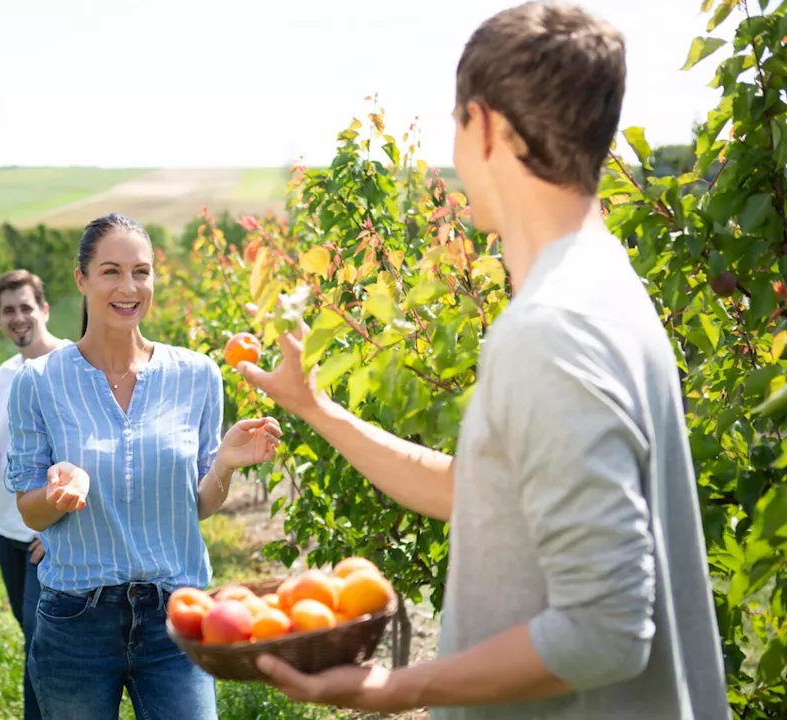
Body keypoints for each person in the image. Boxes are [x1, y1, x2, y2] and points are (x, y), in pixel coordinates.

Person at [240, 3, 730, 719]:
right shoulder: (606, 288)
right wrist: (316, 407)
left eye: (455, 122)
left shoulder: (554, 330)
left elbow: (605, 633)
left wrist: (397, 687)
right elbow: (480, 493)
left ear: (487, 127)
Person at [4, 212, 283, 720]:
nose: (129, 287)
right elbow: (30, 512)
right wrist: (58, 494)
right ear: (81, 280)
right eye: (111, 271)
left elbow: (196, 504)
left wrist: (223, 466)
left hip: (176, 615)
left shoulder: (196, 375)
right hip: (75, 619)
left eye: (141, 272)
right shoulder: (38, 382)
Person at [0, 269, 71, 720]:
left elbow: (90, 457)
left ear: (44, 310)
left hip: (48, 532)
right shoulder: (6, 373)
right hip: (5, 528)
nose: (18, 317)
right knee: (30, 634)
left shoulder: (73, 365)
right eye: (8, 310)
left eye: (26, 307)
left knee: (40, 634)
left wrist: (56, 532)